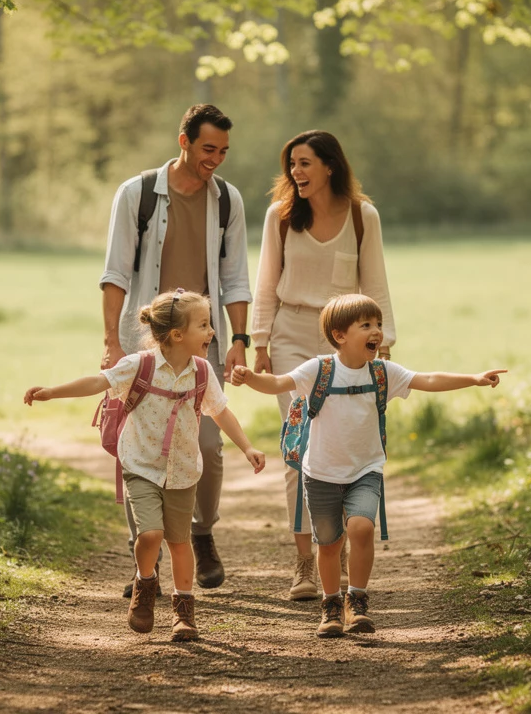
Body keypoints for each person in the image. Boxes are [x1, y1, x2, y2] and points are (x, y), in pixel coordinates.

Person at [231, 293, 506, 638]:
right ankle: (331, 606)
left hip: (366, 470)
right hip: (320, 473)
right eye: (366, 325)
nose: (376, 331)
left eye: (378, 324)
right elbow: (278, 383)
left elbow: (429, 379)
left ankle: (357, 601)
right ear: (340, 335)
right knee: (329, 545)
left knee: (361, 528)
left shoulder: (382, 373)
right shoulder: (318, 369)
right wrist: (249, 378)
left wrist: (474, 378)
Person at [26, 290, 266, 642]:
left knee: (180, 542)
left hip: (183, 470)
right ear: (177, 335)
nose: (212, 332)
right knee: (150, 535)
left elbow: (220, 411)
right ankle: (146, 581)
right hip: (140, 465)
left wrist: (247, 447)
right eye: (204, 325)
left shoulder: (201, 371)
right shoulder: (140, 365)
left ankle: (184, 611)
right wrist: (51, 391)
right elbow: (98, 381)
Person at [99, 104, 253, 596]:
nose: (216, 160)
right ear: (183, 140)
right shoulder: (138, 194)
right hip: (146, 343)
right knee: (137, 446)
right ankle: (144, 562)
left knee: (206, 443)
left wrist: (240, 341)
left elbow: (235, 278)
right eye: (209, 149)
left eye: (224, 151)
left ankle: (201, 534)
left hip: (202, 340)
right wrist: (110, 342)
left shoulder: (227, 201)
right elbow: (116, 272)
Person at [249, 130, 397, 601]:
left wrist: (382, 339)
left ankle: (339, 542)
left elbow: (375, 281)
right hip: (291, 335)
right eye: (292, 163)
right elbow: (265, 284)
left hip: (347, 338)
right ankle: (305, 562)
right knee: (301, 449)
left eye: (306, 163)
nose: (296, 172)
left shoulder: (361, 216)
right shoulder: (281, 217)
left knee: (347, 445)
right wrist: (258, 344)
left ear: (330, 166)